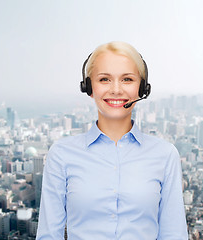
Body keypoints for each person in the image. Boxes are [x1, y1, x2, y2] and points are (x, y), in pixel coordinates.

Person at [36, 41, 188, 239]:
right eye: (104, 79)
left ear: (142, 88)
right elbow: (49, 235)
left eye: (127, 79)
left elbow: (174, 234)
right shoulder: (62, 154)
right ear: (89, 87)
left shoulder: (165, 155)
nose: (116, 90)